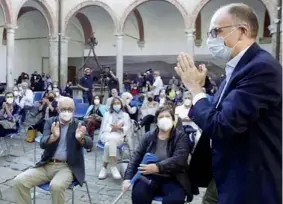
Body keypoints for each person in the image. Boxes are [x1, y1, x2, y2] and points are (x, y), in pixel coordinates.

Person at [175, 3, 282, 204]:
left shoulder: (261, 68)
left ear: (242, 31)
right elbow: (220, 111)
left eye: (216, 31)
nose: (210, 39)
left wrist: (195, 90)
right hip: (226, 173)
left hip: (248, 179)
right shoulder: (237, 68)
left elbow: (221, 125)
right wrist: (202, 88)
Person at [13, 97, 93, 204]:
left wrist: (80, 138)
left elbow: (89, 144)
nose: (67, 112)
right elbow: (42, 143)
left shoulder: (78, 124)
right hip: (47, 164)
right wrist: (53, 137)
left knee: (56, 186)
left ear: (74, 111)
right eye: (64, 109)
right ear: (58, 110)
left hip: (67, 167)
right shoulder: (50, 122)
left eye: (70, 109)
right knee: (19, 181)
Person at [122, 106, 194, 204]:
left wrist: (157, 167)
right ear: (156, 121)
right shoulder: (148, 136)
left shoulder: (181, 137)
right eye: (161, 117)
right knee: (139, 195)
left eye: (168, 116)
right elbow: (136, 156)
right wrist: (127, 178)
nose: (164, 119)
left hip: (173, 177)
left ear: (173, 120)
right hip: (148, 176)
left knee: (174, 200)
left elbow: (179, 159)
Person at [98, 97, 131, 180]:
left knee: (107, 145)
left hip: (119, 135)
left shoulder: (125, 115)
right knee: (111, 139)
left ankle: (104, 167)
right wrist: (113, 128)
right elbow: (104, 127)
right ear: (112, 105)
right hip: (107, 134)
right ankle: (113, 166)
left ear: (121, 104)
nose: (116, 105)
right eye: (115, 103)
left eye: (118, 103)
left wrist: (119, 128)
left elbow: (127, 127)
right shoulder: (107, 114)